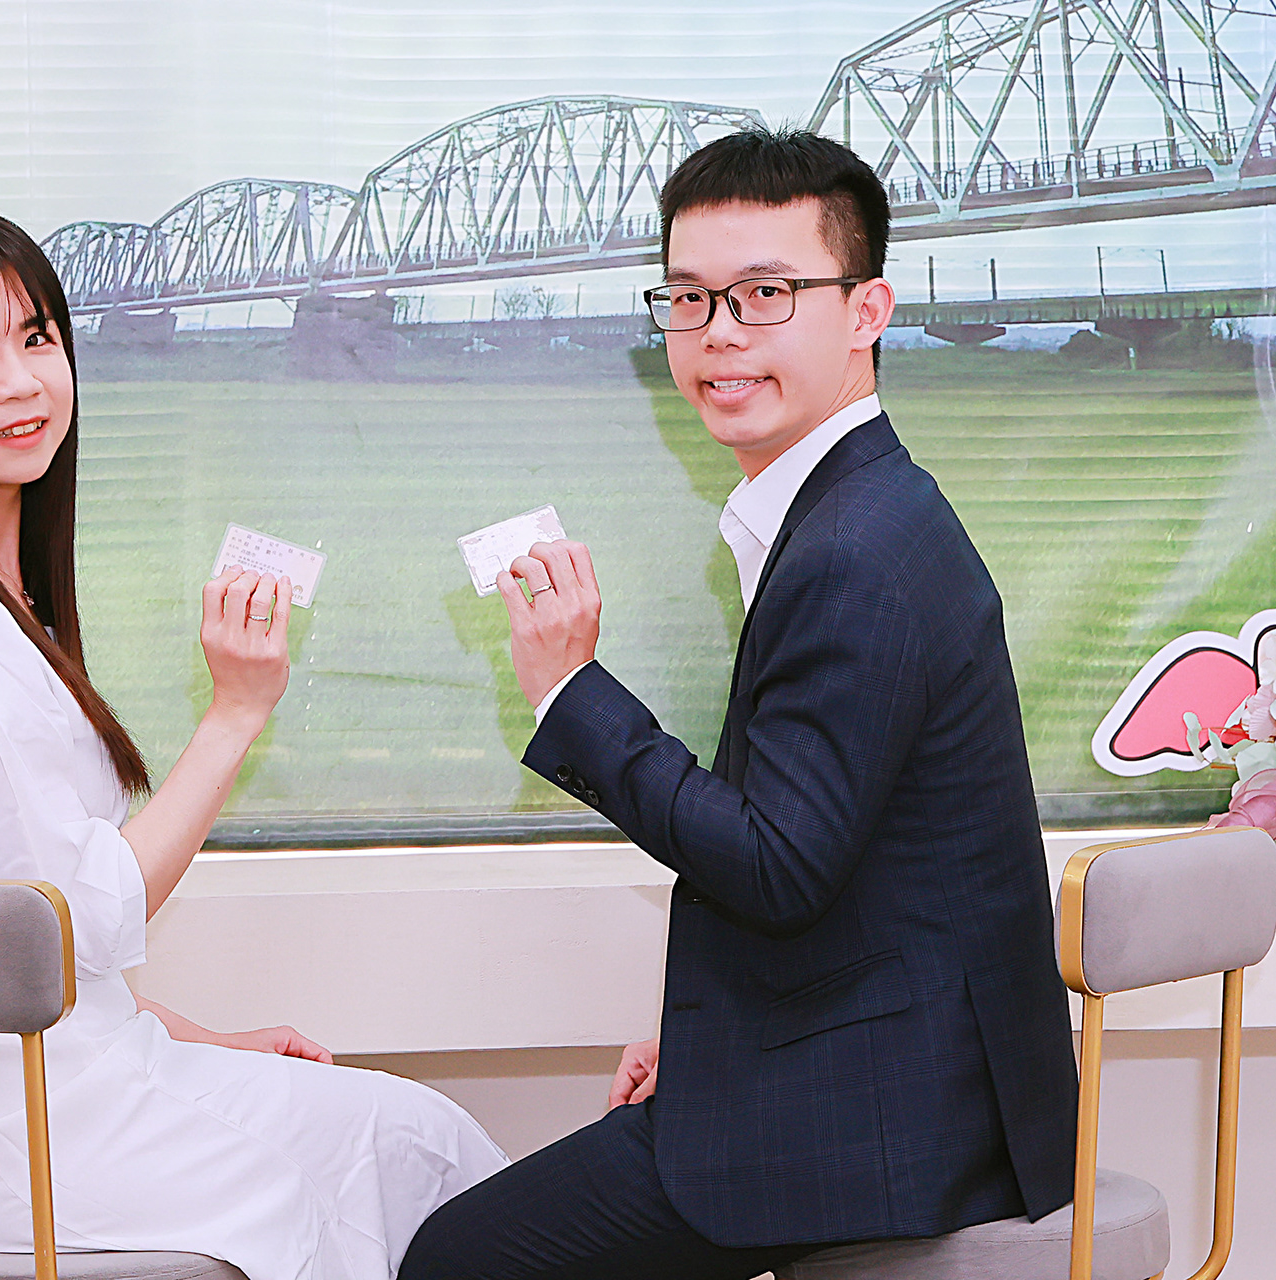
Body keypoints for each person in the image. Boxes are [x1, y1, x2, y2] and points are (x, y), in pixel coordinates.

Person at [0, 206, 506, 1279]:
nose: (21, 381)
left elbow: (8, 928)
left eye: (37, 336)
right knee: (375, 1161)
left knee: (413, 1136)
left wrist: (197, 1039)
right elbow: (75, 919)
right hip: (18, 1133)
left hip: (11, 1102)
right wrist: (236, 712)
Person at [398, 130, 1079, 1280]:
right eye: (690, 297)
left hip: (889, 1116)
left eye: (766, 293)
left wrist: (569, 685)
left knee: (458, 1257)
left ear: (866, 311)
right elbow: (843, 850)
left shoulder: (854, 546)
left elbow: (777, 864)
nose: (719, 331)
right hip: (906, 1069)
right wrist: (716, 1037)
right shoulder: (861, 504)